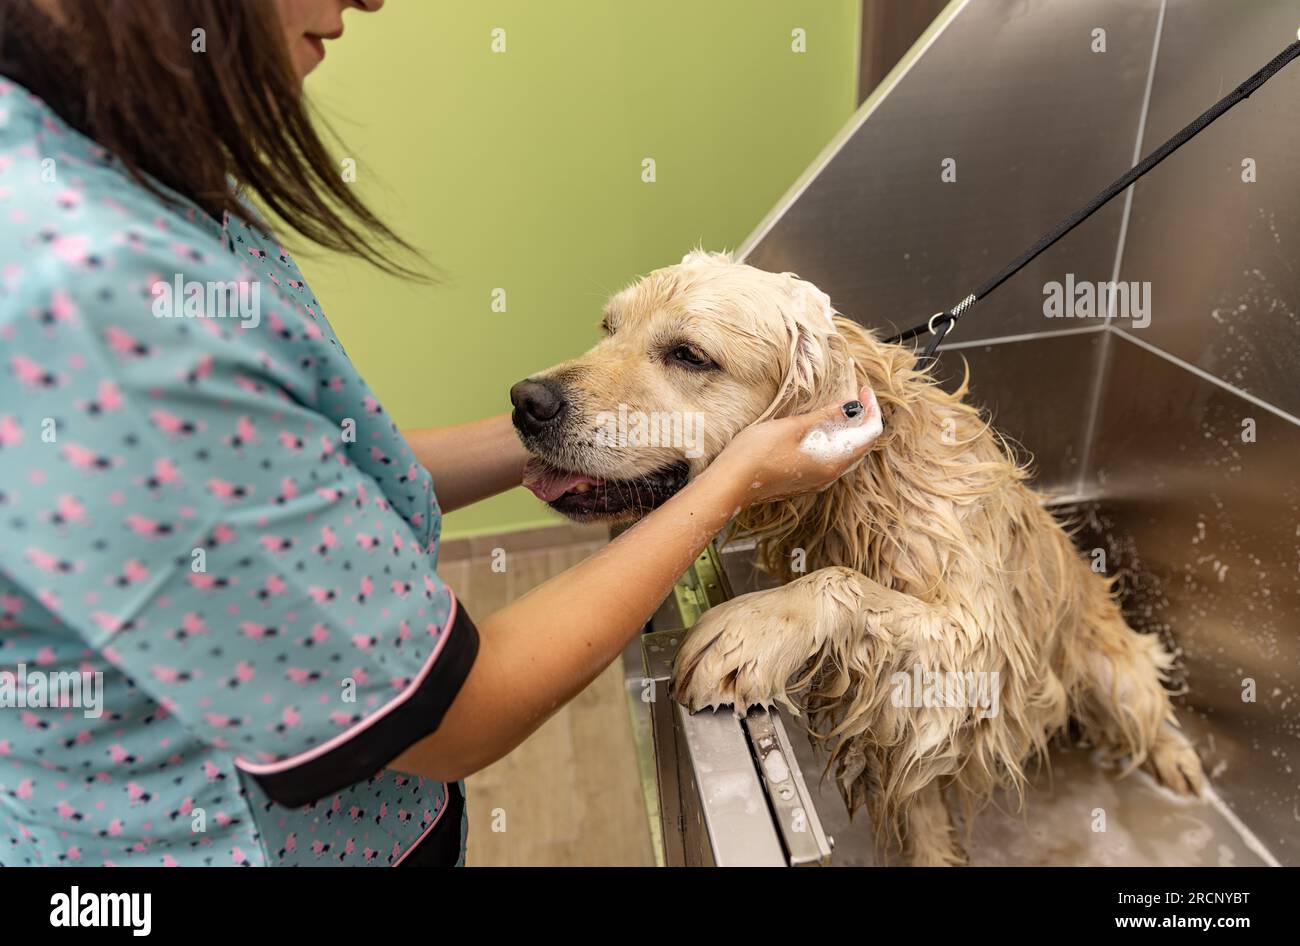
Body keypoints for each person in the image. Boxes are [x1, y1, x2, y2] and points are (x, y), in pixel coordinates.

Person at [0, 0, 875, 866]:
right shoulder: (91, 286)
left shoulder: (144, 167)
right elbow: (457, 713)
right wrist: (729, 483)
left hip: (385, 822)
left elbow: (299, 481)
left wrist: (554, 431)